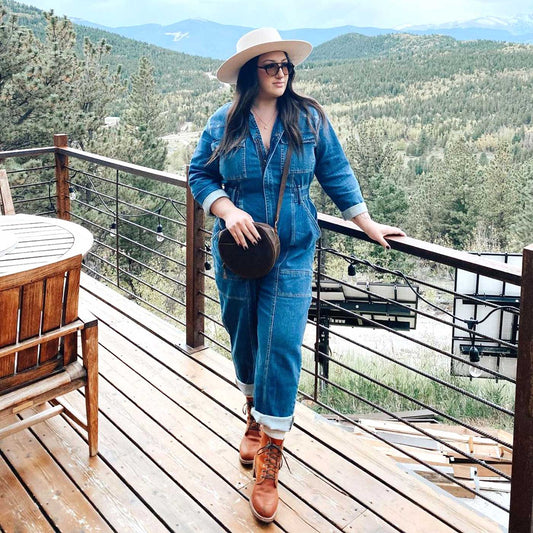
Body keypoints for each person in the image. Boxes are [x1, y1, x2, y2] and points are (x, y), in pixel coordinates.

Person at [188, 27, 405, 523]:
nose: (281, 73)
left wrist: (367, 223)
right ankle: (253, 415)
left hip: (293, 252)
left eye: (286, 65)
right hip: (239, 253)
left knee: (282, 345)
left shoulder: (309, 118)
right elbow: (200, 174)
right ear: (251, 72)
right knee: (244, 340)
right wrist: (226, 209)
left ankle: (270, 456)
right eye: (271, 66)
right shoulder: (224, 122)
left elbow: (337, 172)